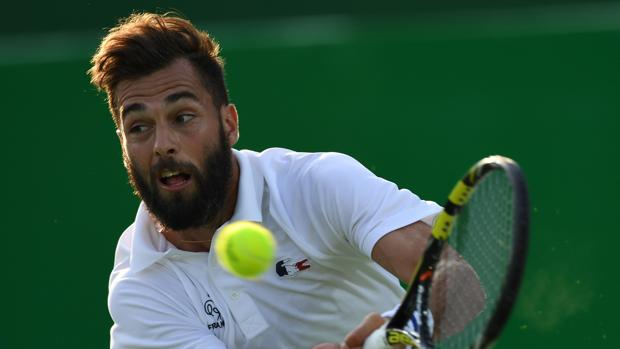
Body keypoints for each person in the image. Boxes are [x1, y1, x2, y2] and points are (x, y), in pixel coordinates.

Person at [89, 12, 450, 349]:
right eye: (138, 127)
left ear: (228, 125)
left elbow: (454, 278)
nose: (162, 145)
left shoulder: (318, 184)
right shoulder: (140, 289)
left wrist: (396, 335)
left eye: (183, 117)